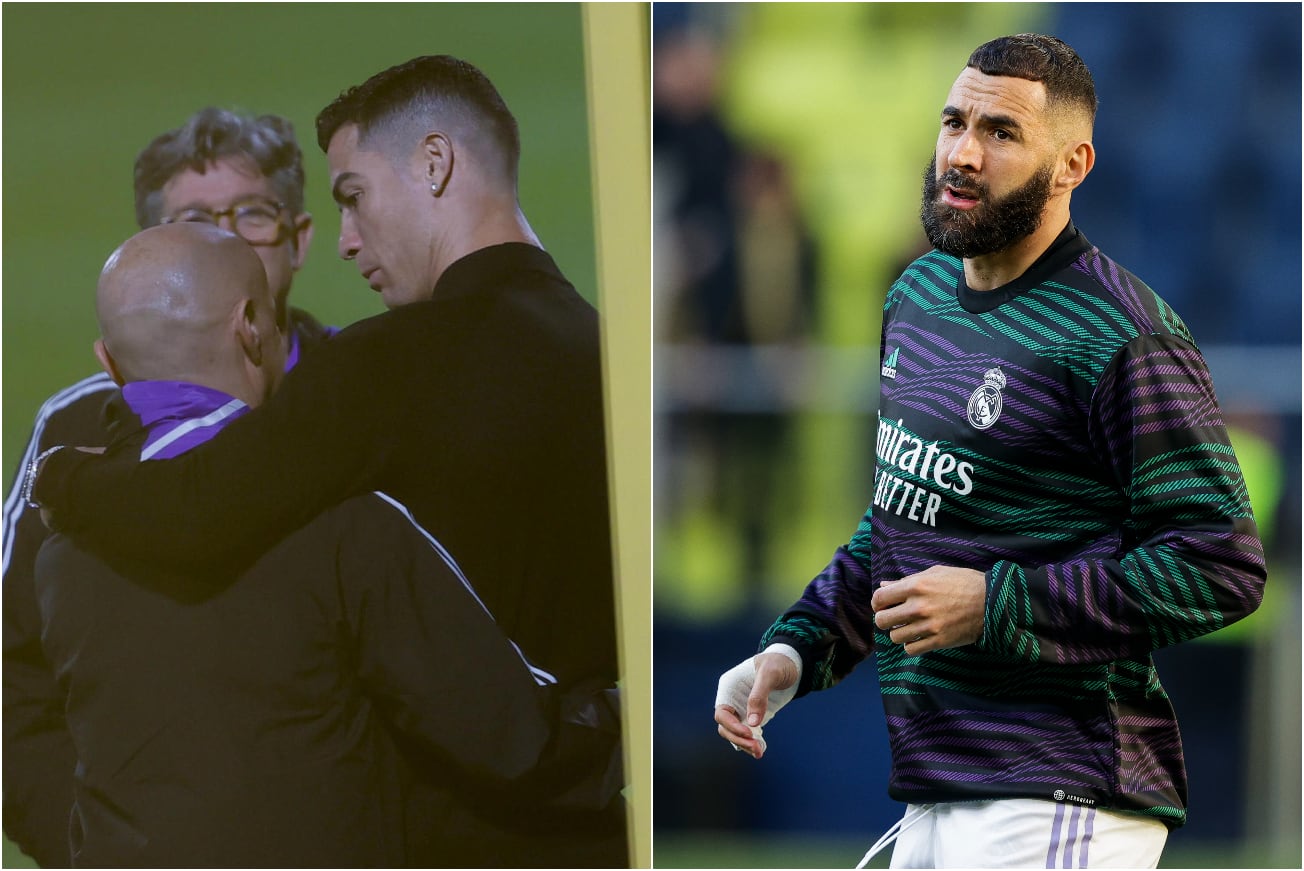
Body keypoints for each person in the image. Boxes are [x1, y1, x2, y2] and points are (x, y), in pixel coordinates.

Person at [31, 55, 626, 866]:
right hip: (596, 830)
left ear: (435, 162)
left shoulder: (383, 367)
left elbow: (201, 505)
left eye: (353, 197)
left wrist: (66, 479)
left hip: (447, 837)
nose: (345, 241)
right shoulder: (610, 355)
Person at [712, 34, 1265, 869]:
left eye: (1001, 133)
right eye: (954, 122)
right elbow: (906, 517)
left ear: (1072, 163)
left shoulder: (1122, 334)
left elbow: (1221, 563)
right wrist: (799, 646)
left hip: (1062, 791)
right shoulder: (918, 295)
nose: (963, 154)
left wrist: (998, 603)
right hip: (938, 786)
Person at [2, 107, 329, 868]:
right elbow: (9, 674)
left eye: (251, 213)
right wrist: (82, 842)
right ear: (148, 250)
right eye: (192, 220)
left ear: (300, 237)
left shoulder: (367, 395)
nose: (224, 240)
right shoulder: (75, 424)